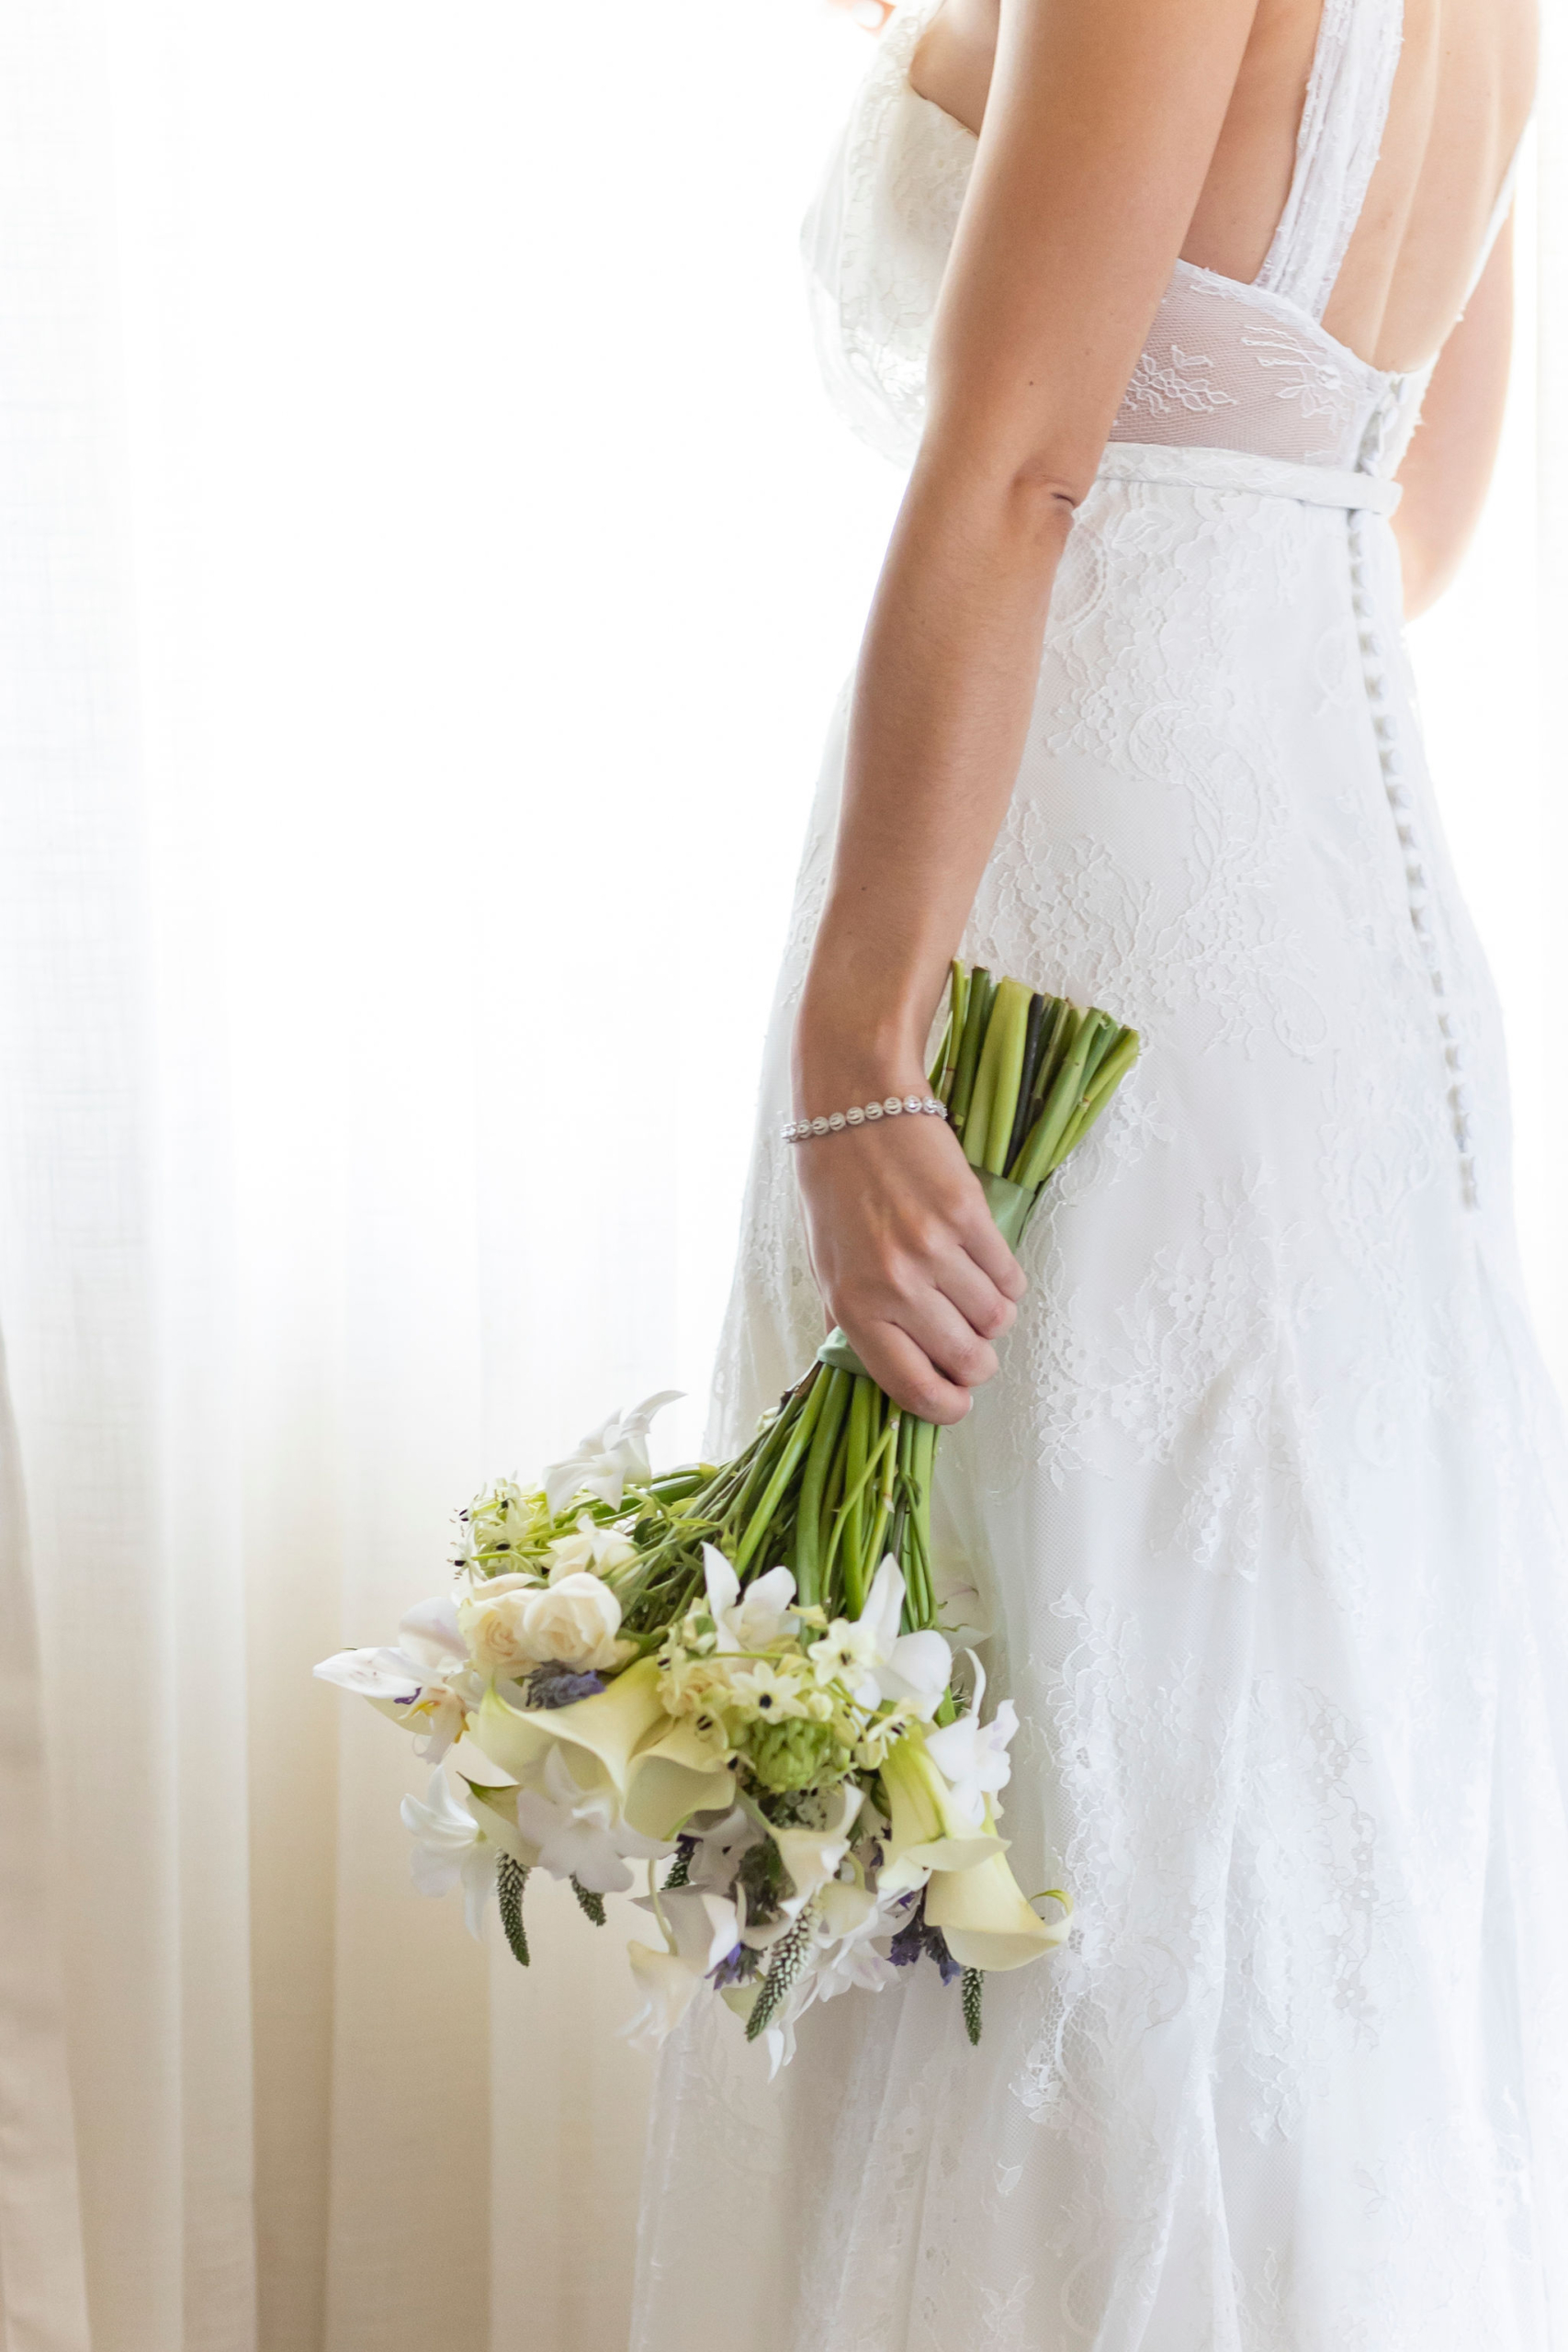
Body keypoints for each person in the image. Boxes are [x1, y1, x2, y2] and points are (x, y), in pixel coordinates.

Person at [633, 0, 1556, 2343]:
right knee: (1248, 1768)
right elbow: (1404, 509)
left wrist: (862, 1034)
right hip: (1336, 943)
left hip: (1058, 941)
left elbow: (1029, 456)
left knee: (1054, 1817)